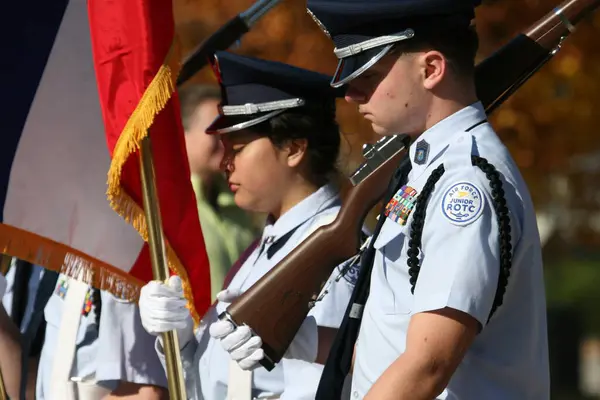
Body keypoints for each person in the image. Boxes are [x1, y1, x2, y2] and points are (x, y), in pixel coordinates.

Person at [306, 0, 550, 399]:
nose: (351, 94)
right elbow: (390, 339)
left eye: (370, 73)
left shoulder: (465, 181)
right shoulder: (425, 170)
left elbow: (428, 363)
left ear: (432, 69)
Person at [138, 51, 360, 399]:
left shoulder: (336, 250)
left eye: (237, 148)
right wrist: (179, 342)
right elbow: (210, 384)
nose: (225, 163)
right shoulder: (263, 248)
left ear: (293, 148)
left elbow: (318, 386)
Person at [178, 84, 260, 300]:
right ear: (182, 133)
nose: (225, 141)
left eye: (229, 131)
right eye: (214, 131)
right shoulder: (167, 208)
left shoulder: (240, 203)